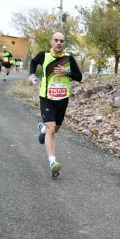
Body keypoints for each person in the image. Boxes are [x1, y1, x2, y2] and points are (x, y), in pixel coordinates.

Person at [28, 32, 82, 178]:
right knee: (51, 128)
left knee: (54, 129)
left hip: (62, 99)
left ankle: (42, 129)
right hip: (47, 98)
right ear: (51, 41)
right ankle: (53, 162)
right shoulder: (43, 56)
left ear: (64, 43)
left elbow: (79, 77)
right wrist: (31, 75)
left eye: (62, 41)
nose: (59, 43)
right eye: (56, 40)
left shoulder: (69, 58)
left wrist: (67, 71)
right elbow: (33, 63)